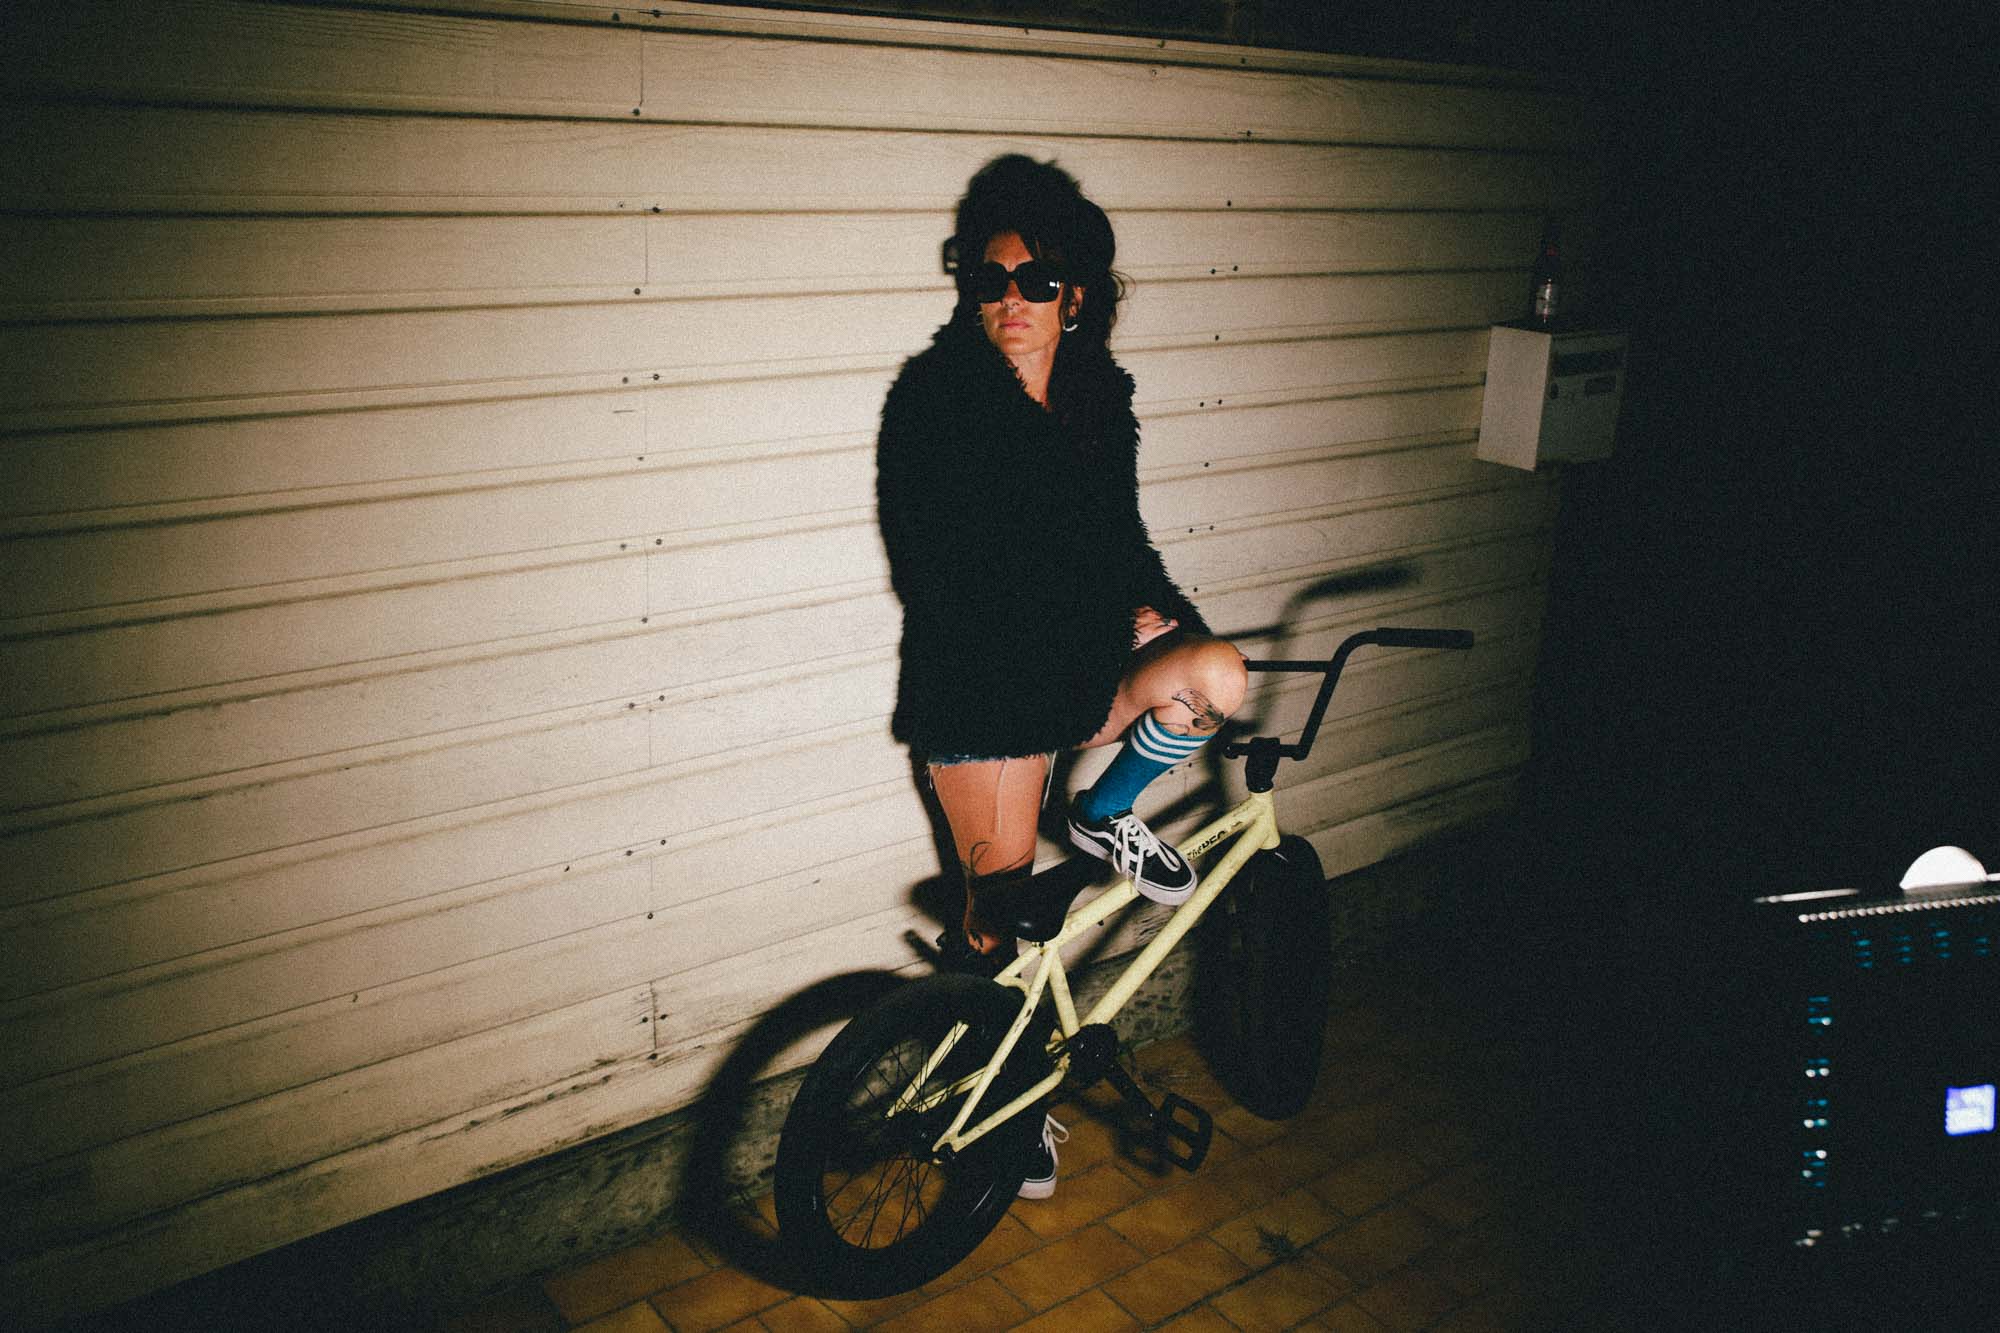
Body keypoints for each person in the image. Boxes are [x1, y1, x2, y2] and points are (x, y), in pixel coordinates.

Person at [876, 155, 1248, 1197]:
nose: (1009, 302)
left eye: (1034, 282)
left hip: (1072, 677)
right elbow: (935, 574)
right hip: (981, 695)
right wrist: (1085, 607)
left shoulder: (1095, 401)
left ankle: (1103, 808)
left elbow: (1118, 543)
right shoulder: (937, 400)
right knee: (1000, 929)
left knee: (1213, 675)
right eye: (989, 279)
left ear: (1074, 294)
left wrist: (1162, 614)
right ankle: (1004, 1115)